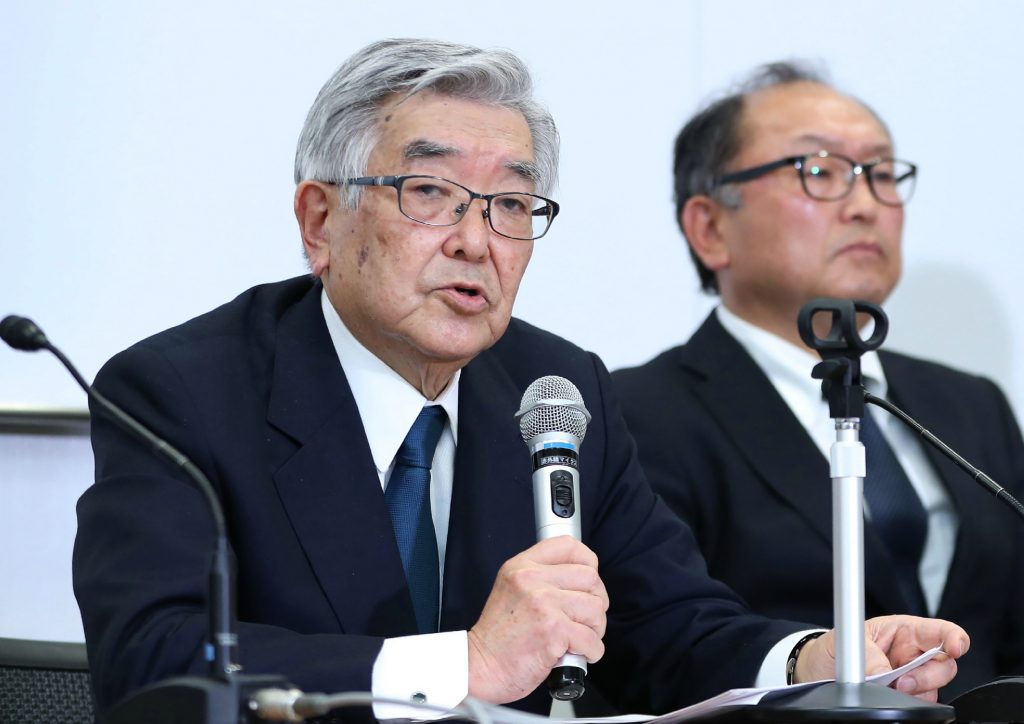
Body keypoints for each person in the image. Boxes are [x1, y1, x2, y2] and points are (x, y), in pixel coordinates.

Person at [73, 42, 967, 719]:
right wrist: (463, 665)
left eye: (510, 204)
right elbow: (154, 661)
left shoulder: (554, 386)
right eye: (429, 192)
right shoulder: (179, 392)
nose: (476, 240)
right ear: (320, 221)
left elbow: (673, 627)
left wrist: (820, 657)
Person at [612, 61, 1024, 701]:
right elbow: (660, 640)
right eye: (820, 172)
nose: (865, 205)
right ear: (710, 227)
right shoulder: (637, 414)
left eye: (882, 174)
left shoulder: (971, 405)